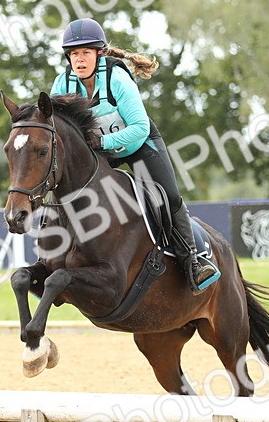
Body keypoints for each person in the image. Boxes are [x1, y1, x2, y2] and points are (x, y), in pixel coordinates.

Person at [50, 17, 218, 294]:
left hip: (138, 145)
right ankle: (53, 257)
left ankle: (192, 261)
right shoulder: (62, 83)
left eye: (85, 53)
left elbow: (139, 129)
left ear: (99, 53)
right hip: (99, 150)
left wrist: (103, 140)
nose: (79, 60)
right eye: (74, 54)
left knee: (168, 196)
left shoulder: (116, 77)